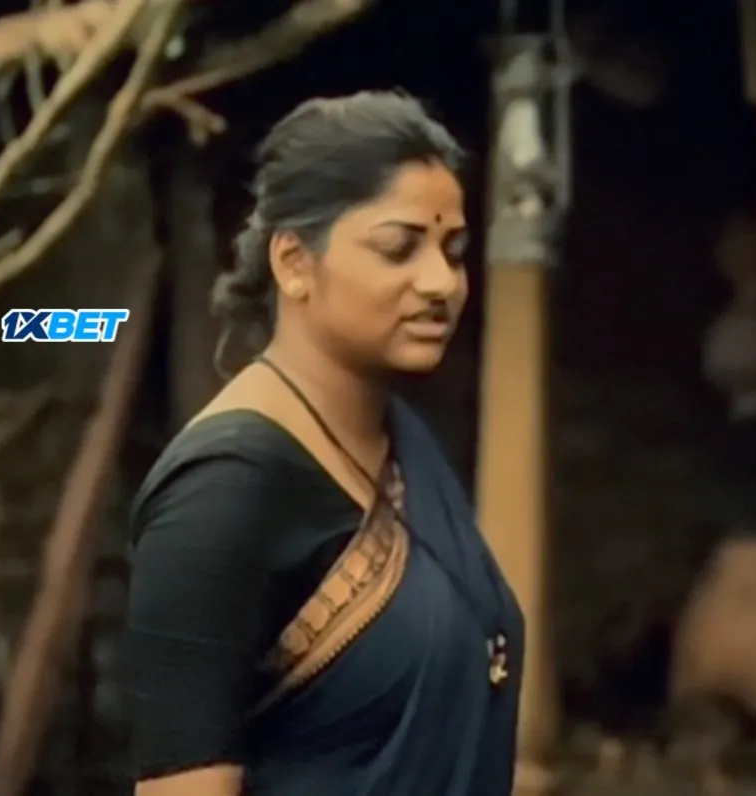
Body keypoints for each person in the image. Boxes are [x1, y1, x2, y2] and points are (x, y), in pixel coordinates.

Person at [122, 91, 523, 795]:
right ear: (294, 262)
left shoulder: (400, 443)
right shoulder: (221, 494)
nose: (442, 283)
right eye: (398, 247)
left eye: (454, 252)